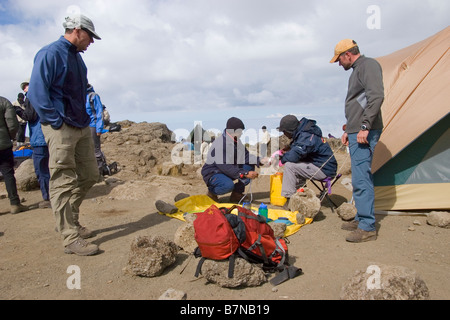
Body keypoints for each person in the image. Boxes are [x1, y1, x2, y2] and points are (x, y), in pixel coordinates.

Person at [27, 13, 102, 256]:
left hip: (80, 125)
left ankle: (73, 221)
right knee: (63, 180)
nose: (91, 42)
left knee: (90, 175)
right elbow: (36, 94)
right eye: (90, 36)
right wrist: (55, 121)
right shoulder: (50, 53)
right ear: (78, 30)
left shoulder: (79, 61)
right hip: (61, 127)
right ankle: (70, 237)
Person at [330, 39, 384, 243]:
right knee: (358, 176)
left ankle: (367, 227)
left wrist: (365, 127)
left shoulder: (368, 65)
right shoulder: (357, 70)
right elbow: (359, 103)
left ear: (347, 54)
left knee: (361, 178)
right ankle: (361, 217)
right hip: (355, 131)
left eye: (339, 59)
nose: (338, 64)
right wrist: (349, 129)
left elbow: (376, 96)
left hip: (365, 131)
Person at [201, 117, 268, 203]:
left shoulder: (236, 141)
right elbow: (226, 167)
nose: (242, 133)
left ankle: (236, 194)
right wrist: (245, 173)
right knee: (228, 185)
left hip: (228, 170)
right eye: (240, 131)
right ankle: (212, 192)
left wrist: (260, 160)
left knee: (249, 164)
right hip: (214, 172)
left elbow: (246, 156)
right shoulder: (219, 144)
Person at [277, 115, 337, 209]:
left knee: (289, 166)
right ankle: (300, 196)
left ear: (290, 130)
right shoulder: (304, 133)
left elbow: (296, 154)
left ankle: (290, 200)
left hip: (324, 169)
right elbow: (299, 149)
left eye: (284, 131)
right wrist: (288, 149)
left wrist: (281, 159)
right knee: (296, 164)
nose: (284, 134)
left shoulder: (307, 135)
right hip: (321, 166)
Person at [14, 80, 51, 209]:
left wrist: (18, 110)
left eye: (26, 86)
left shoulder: (32, 96)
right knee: (50, 166)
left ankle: (48, 198)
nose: (25, 89)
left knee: (41, 168)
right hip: (50, 136)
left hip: (39, 138)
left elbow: (30, 116)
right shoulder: (47, 93)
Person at [0, 96, 29, 214]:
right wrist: (10, 138)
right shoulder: (3, 102)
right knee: (8, 173)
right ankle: (15, 203)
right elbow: (12, 124)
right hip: (3, 145)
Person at [86, 84, 107, 177]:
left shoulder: (93, 96)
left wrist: (99, 128)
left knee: (96, 150)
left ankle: (99, 174)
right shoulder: (78, 95)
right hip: (83, 126)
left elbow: (99, 112)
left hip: (93, 125)